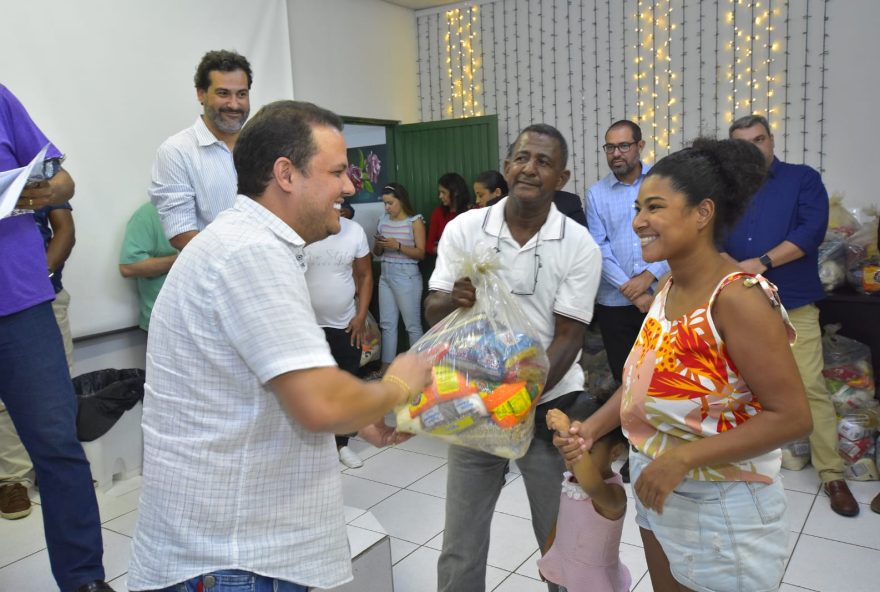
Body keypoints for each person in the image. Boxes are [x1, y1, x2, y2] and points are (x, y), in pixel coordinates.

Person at [127, 100, 432, 592]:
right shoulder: (252, 254)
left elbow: (296, 391)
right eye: (337, 172)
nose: (350, 187)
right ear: (285, 174)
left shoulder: (244, 242)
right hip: (235, 559)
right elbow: (320, 403)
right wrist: (396, 385)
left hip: (235, 550)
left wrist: (359, 414)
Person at [559, 138, 813, 592]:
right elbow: (640, 381)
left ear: (702, 213)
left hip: (720, 503)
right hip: (658, 487)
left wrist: (684, 458)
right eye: (638, 208)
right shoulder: (669, 287)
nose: (638, 221)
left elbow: (792, 416)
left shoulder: (738, 298)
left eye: (654, 207)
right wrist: (593, 429)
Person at [425, 123, 602, 592]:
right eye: (522, 157)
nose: (530, 168)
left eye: (544, 162)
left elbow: (568, 337)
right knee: (461, 543)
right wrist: (453, 298)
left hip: (549, 407)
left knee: (561, 543)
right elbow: (433, 311)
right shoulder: (467, 228)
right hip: (474, 404)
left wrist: (518, 398)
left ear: (561, 178)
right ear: (507, 167)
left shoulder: (579, 244)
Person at [0, 83, 114, 592]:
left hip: (20, 305)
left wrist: (55, 189)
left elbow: (60, 179)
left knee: (58, 448)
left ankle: (84, 581)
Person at [724, 114, 859, 518]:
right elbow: (709, 236)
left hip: (793, 303)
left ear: (771, 140)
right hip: (740, 305)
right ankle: (736, 463)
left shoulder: (802, 179)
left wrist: (760, 262)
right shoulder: (725, 189)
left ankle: (832, 474)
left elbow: (810, 231)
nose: (753, 149)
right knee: (735, 387)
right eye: (743, 144)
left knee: (810, 388)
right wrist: (735, 269)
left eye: (759, 139)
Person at [0, 200, 76, 521]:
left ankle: (55, 471)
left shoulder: (35, 168)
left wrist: (36, 280)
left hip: (43, 296)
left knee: (57, 393)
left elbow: (65, 230)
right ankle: (13, 479)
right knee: (4, 401)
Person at [586, 120, 669, 384]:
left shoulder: (663, 184)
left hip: (662, 296)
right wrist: (631, 290)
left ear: (640, 146)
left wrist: (648, 277)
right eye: (610, 148)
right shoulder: (596, 194)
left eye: (623, 145)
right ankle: (628, 427)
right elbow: (599, 247)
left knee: (665, 376)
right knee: (627, 381)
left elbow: (675, 234)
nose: (616, 153)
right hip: (614, 304)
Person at [150, 49, 252, 250]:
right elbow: (181, 234)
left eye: (241, 94)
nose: (234, 104)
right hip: (216, 277)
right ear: (201, 94)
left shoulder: (266, 145)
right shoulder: (176, 151)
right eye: (223, 93)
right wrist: (240, 263)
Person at [305, 200, 374, 469]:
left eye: (338, 204)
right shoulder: (302, 231)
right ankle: (316, 448)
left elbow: (365, 276)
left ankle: (342, 445)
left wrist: (360, 316)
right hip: (307, 326)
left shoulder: (354, 231)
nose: (335, 208)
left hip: (346, 325)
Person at [538, 408, 630, 592]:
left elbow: (592, 486)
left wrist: (569, 436)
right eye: (566, 448)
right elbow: (563, 520)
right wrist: (549, 556)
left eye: (585, 450)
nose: (570, 456)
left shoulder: (613, 495)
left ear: (615, 452)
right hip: (568, 574)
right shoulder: (571, 481)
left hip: (596, 584)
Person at [373, 182, 426, 372]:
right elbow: (377, 252)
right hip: (386, 273)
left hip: (407, 276)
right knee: (387, 324)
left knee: (412, 325)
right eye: (384, 204)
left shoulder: (415, 221)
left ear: (401, 201)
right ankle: (386, 368)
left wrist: (398, 246)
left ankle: (418, 370)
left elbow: (421, 253)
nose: (387, 207)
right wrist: (380, 244)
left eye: (390, 203)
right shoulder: (383, 220)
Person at [118, 202, 178, 331]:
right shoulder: (148, 214)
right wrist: (185, 258)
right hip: (164, 323)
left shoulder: (218, 214)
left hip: (207, 320)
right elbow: (128, 267)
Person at [427, 172, 471, 255]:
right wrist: (447, 251)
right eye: (439, 192)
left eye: (443, 192)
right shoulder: (438, 213)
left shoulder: (471, 212)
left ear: (456, 192)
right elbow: (429, 246)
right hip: (446, 263)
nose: (440, 196)